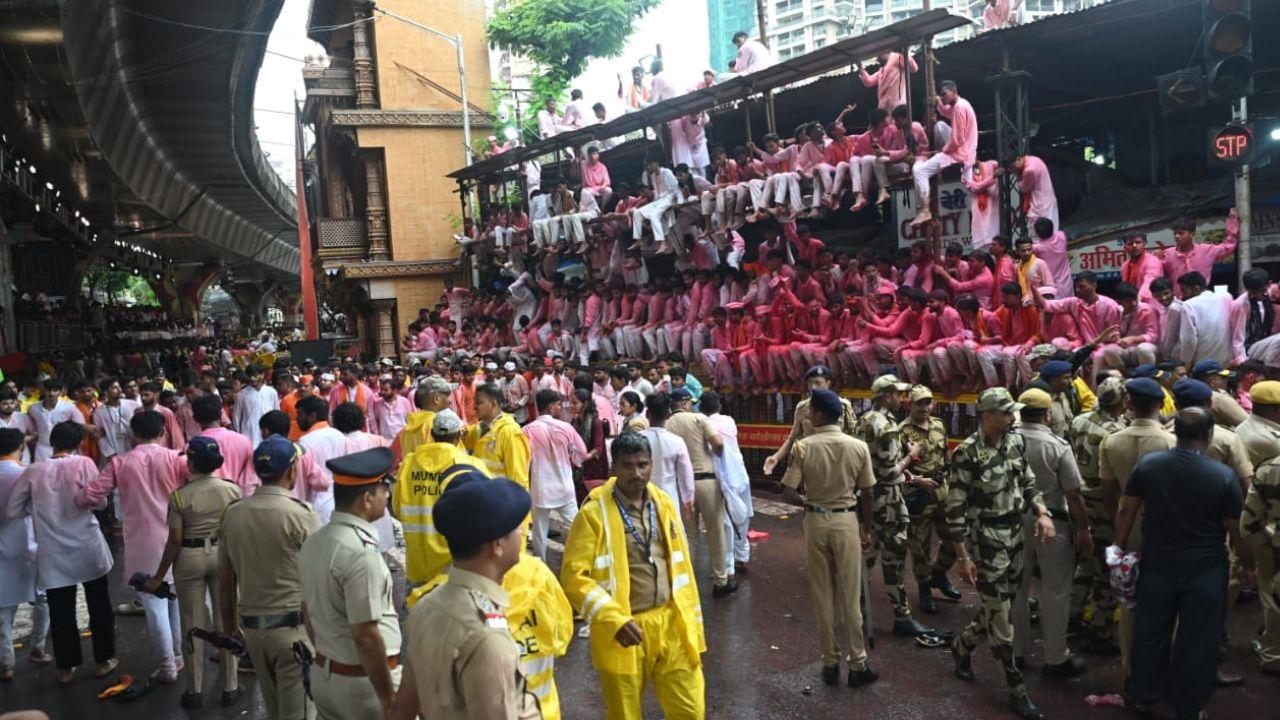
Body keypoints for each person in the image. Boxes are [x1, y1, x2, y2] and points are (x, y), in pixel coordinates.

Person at [398, 469, 573, 720]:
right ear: (497, 546)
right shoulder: (488, 638)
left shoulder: (424, 606)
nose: (521, 533)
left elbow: (403, 707)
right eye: (514, 529)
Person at [1115, 407, 1251, 719]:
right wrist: (1247, 561)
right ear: (1209, 435)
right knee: (1198, 638)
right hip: (1205, 569)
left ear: (1175, 431)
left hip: (1157, 563)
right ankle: (1188, 706)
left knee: (1151, 630)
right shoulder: (1223, 476)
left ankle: (1143, 695)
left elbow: (1127, 510)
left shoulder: (1149, 466)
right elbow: (1235, 528)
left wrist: (1118, 548)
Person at [560, 431, 706, 719]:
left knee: (690, 709)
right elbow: (573, 578)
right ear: (614, 468)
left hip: (672, 622)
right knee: (625, 713)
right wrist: (613, 619)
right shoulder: (593, 512)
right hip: (624, 629)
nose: (636, 473)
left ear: (652, 464)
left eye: (642, 465)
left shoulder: (662, 502)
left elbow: (680, 565)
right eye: (627, 466)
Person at [947, 388, 1056, 720]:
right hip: (987, 543)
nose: (1013, 417)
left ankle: (962, 646)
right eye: (1007, 412)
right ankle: (1016, 690)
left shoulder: (1015, 442)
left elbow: (1027, 480)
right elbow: (955, 509)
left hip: (1015, 536)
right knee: (1003, 620)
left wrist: (1041, 511)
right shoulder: (967, 453)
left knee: (1001, 604)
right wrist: (964, 556)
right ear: (987, 415)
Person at [77, 410, 186, 683]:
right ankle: (178, 655)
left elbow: (88, 496)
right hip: (178, 538)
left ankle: (168, 665)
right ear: (163, 431)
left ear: (134, 435)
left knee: (155, 605)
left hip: (142, 545)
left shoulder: (120, 463)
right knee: (174, 600)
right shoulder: (177, 459)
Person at [4, 421, 116, 684]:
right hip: (87, 545)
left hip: (53, 551)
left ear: (51, 442)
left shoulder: (33, 470)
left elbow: (12, 510)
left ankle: (66, 667)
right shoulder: (84, 464)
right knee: (99, 604)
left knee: (61, 611)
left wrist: (41, 512)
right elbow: (98, 502)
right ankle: (104, 660)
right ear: (78, 444)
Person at [779, 388, 878, 686]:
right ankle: (858, 664)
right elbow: (869, 491)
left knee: (822, 594)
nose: (808, 416)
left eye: (811, 411)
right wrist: (867, 528)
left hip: (815, 520)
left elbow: (788, 489)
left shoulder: (803, 447)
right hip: (847, 519)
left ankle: (830, 662)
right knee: (850, 594)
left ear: (819, 414)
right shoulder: (858, 446)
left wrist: (808, 502)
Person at [218, 436, 320, 720]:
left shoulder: (233, 515)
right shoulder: (301, 515)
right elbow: (319, 580)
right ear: (291, 471)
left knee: (276, 710)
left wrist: (230, 629)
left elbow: (225, 583)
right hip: (294, 632)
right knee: (300, 712)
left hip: (252, 630)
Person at [299, 448, 402, 720]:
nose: (388, 495)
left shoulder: (315, 541)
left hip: (327, 675)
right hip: (363, 686)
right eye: (383, 490)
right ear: (367, 498)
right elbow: (366, 637)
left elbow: (307, 614)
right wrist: (388, 699)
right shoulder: (360, 553)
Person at [140, 436, 242, 708]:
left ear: (192, 462)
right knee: (226, 621)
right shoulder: (232, 491)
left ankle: (195, 689)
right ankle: (230, 687)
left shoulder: (180, 495)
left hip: (190, 557)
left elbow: (174, 540)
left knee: (192, 623)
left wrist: (159, 576)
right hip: (222, 555)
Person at [1097, 377, 1176, 680]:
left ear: (1128, 404)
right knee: (1167, 599)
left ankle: (1130, 666)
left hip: (1126, 528)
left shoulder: (1112, 440)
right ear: (1160, 405)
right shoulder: (1171, 443)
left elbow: (1106, 489)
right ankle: (1164, 664)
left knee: (1129, 600)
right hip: (1164, 530)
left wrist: (1118, 520)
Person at [1009, 388, 1090, 678]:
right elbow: (1074, 494)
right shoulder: (1056, 445)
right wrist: (1084, 530)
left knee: (1017, 588)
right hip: (1052, 522)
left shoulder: (1008, 440)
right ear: (1048, 414)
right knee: (1055, 591)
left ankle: (1015, 652)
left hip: (1012, 521)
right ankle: (1056, 658)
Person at [856, 374, 929, 635]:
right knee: (893, 560)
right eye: (898, 394)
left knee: (867, 559)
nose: (902, 398)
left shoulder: (864, 420)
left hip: (870, 499)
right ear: (887, 396)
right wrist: (910, 457)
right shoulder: (885, 426)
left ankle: (858, 613)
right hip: (887, 502)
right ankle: (901, 617)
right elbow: (887, 472)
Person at [1067, 376, 1128, 654]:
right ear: (1123, 402)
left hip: (1078, 497)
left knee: (1085, 561)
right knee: (1106, 567)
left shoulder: (1079, 420)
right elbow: (1112, 479)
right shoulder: (1115, 433)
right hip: (1102, 502)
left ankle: (1071, 614)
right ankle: (1100, 627)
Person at [393, 410, 488, 587]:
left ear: (432, 433)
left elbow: (397, 507)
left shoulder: (409, 463)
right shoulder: (470, 465)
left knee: (419, 608)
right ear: (459, 435)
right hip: (454, 560)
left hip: (417, 558)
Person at [898, 385, 959, 615]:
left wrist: (951, 482)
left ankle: (940, 574)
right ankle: (925, 589)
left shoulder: (939, 425)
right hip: (919, 495)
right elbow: (894, 468)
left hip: (942, 492)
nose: (925, 407)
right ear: (910, 405)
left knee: (954, 538)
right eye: (919, 403)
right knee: (920, 549)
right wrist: (916, 480)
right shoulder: (901, 431)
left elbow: (946, 457)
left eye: (928, 402)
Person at [0, 428, 50, 681]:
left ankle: (6, 664)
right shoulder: (26, 473)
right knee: (41, 601)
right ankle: (38, 649)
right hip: (29, 545)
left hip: (2, 550)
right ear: (21, 446)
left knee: (3, 612)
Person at [524, 390, 588, 560]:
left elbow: (524, 461)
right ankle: (581, 558)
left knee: (539, 530)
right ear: (551, 406)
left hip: (540, 487)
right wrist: (570, 457)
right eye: (558, 404)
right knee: (576, 525)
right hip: (564, 486)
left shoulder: (526, 431)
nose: (561, 407)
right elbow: (581, 453)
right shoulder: (566, 427)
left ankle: (542, 565)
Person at [1242, 388, 1280, 675]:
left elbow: (1250, 518)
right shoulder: (1266, 441)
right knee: (1271, 595)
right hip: (1270, 534)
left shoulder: (1248, 427)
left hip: (1268, 530)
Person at [763, 365, 857, 475]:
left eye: (818, 383)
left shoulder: (843, 406)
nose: (813, 387)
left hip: (837, 463)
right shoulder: (802, 408)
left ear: (828, 383)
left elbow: (853, 435)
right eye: (810, 383)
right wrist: (776, 457)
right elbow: (792, 438)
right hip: (811, 464)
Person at [911, 81, 977, 226]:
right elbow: (945, 112)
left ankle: (924, 210)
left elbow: (958, 139)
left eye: (944, 94)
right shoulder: (959, 104)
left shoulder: (960, 108)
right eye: (941, 95)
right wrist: (936, 99)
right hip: (964, 151)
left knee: (920, 171)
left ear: (954, 91)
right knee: (940, 125)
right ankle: (923, 209)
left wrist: (943, 150)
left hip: (959, 152)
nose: (943, 98)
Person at [465, 382, 531, 491]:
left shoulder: (510, 432)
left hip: (500, 501)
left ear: (493, 404)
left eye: (479, 402)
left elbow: (517, 477)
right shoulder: (476, 430)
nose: (474, 406)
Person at [1162, 211, 1239, 298]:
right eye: (1175, 233)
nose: (1176, 236)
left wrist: (1233, 223)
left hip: (1203, 299)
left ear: (1192, 234)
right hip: (1179, 302)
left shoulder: (1206, 250)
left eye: (1181, 233)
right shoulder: (1167, 254)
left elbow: (1228, 247)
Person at [298, 395, 348, 523]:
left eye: (300, 414)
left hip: (315, 506)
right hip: (339, 503)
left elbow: (301, 480)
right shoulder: (339, 435)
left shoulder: (304, 442)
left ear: (312, 416)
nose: (297, 419)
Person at [192, 393, 257, 492]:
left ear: (195, 418)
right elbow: (249, 480)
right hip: (238, 501)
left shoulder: (193, 447)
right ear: (220, 414)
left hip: (208, 502)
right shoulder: (243, 441)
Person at [234, 365, 279, 448]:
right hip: (248, 435)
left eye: (255, 375)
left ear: (262, 375)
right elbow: (237, 418)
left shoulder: (271, 392)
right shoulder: (241, 395)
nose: (252, 378)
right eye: (249, 375)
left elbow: (276, 414)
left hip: (268, 435)